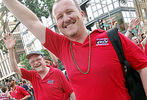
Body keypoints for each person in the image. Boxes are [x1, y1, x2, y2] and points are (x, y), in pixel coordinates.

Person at [2, 0, 147, 100]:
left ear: (82, 14)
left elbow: (143, 66)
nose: (65, 19)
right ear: (57, 24)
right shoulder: (61, 46)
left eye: (69, 12)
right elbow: (32, 22)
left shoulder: (113, 38)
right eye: (59, 17)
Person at [3, 33, 75, 100]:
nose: (36, 63)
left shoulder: (57, 73)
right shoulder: (32, 76)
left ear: (44, 60)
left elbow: (70, 92)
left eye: (38, 59)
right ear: (31, 65)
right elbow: (14, 68)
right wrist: (10, 50)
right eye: (32, 62)